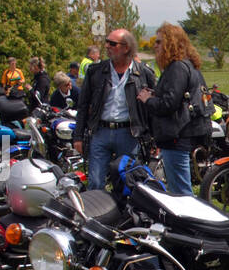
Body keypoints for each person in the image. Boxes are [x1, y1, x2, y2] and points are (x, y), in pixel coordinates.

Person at [73, 28, 156, 190]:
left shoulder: (143, 73)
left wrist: (154, 137)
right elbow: (82, 105)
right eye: (106, 42)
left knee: (126, 182)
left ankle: (123, 213)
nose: (107, 46)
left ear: (126, 47)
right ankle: (97, 213)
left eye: (112, 43)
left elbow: (152, 108)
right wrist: (78, 137)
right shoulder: (96, 71)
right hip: (100, 132)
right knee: (96, 182)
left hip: (129, 134)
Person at [138, 24, 207, 196]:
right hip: (180, 134)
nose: (155, 46)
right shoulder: (185, 65)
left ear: (171, 43)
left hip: (177, 135)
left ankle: (190, 222)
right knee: (179, 189)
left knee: (181, 192)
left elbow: (169, 104)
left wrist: (149, 100)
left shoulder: (177, 67)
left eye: (159, 42)